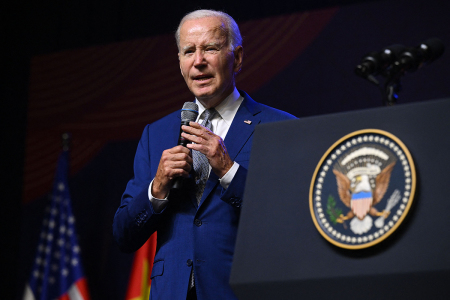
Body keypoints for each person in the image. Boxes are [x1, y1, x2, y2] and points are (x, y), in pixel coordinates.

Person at [113, 9, 297, 300]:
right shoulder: (155, 133)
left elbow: (291, 221)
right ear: (180, 62)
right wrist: (158, 187)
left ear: (236, 58)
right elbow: (123, 234)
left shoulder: (280, 127)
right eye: (189, 51)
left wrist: (227, 169)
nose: (198, 61)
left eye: (210, 48)